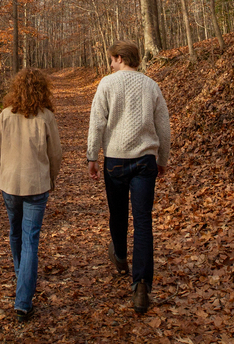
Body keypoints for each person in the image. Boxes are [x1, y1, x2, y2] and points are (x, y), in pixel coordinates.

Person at [87, 40, 171, 315]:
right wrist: (162, 159)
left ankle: (121, 256)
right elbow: (163, 127)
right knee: (143, 221)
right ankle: (142, 285)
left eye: (112, 59)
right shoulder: (151, 86)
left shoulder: (107, 84)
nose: (110, 64)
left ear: (121, 58)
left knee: (119, 214)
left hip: (116, 160)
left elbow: (97, 121)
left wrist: (92, 156)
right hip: (146, 160)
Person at [0, 68, 63, 323]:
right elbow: (55, 155)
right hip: (36, 185)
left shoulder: (6, 116)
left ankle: (23, 283)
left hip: (10, 185)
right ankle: (23, 297)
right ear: (43, 89)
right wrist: (51, 178)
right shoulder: (46, 117)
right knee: (30, 240)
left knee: (16, 233)